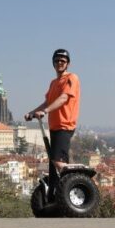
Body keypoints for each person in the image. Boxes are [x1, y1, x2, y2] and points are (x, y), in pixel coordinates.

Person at [24, 49, 81, 185]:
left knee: (58, 161)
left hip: (65, 125)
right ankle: (56, 190)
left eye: (63, 61)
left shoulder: (71, 78)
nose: (59, 63)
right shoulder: (53, 83)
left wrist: (45, 111)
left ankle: (73, 184)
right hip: (54, 127)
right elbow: (47, 102)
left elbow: (64, 98)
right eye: (57, 60)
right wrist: (32, 112)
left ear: (68, 64)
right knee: (53, 165)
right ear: (53, 63)